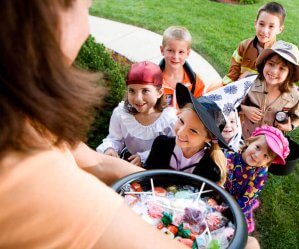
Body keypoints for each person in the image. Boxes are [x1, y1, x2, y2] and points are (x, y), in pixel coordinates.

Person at [0, 0, 189, 248]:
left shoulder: (22, 116)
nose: (87, 29)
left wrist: (167, 192)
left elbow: (96, 162)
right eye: (85, 8)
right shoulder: (31, 176)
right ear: (49, 17)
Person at [145, 83, 229, 185]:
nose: (181, 132)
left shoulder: (211, 169)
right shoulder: (161, 145)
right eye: (181, 121)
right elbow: (147, 179)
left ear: (208, 138)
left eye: (193, 131)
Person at [96, 61, 177, 166]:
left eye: (145, 91)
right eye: (132, 91)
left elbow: (172, 151)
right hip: (128, 162)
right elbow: (115, 138)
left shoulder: (169, 121)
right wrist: (110, 148)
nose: (138, 99)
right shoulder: (121, 114)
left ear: (159, 93)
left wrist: (144, 157)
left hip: (156, 169)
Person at [224, 126, 290, 233]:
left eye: (266, 156)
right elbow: (218, 178)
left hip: (240, 203)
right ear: (250, 141)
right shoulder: (229, 157)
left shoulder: (260, 174)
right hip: (222, 193)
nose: (257, 155)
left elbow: (248, 199)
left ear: (268, 162)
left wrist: (229, 212)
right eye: (258, 147)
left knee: (229, 228)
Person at [240, 40, 299, 138]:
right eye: (271, 64)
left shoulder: (295, 94)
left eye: (282, 68)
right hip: (246, 136)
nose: (273, 71)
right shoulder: (249, 82)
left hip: (271, 144)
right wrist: (244, 109)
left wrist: (291, 125)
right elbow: (229, 102)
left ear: (290, 73)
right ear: (264, 63)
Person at [222, 2, 286, 85]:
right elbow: (234, 70)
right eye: (261, 24)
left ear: (280, 29)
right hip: (238, 87)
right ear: (255, 23)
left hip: (259, 94)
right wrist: (226, 87)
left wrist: (249, 77)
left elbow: (275, 82)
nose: (264, 30)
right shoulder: (243, 45)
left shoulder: (278, 53)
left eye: (271, 26)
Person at [159, 26, 206, 108]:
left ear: (187, 53)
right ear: (162, 50)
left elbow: (199, 109)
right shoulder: (152, 80)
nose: (175, 56)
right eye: (170, 50)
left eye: (181, 52)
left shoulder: (195, 82)